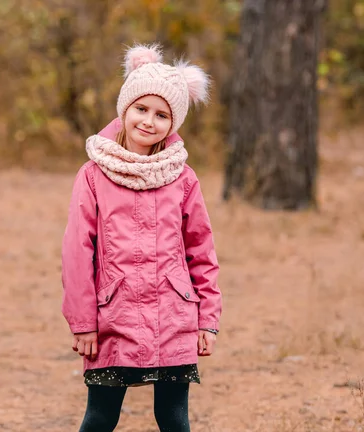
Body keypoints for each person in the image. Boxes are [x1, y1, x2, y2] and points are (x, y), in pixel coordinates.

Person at [61, 43, 222, 432]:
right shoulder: (94, 174)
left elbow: (201, 250)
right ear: (125, 109)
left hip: (174, 317)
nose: (149, 121)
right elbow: (77, 251)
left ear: (174, 122)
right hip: (112, 316)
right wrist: (83, 322)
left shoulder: (182, 178)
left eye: (162, 115)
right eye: (141, 108)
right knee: (100, 416)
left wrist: (207, 319)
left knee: (173, 417)